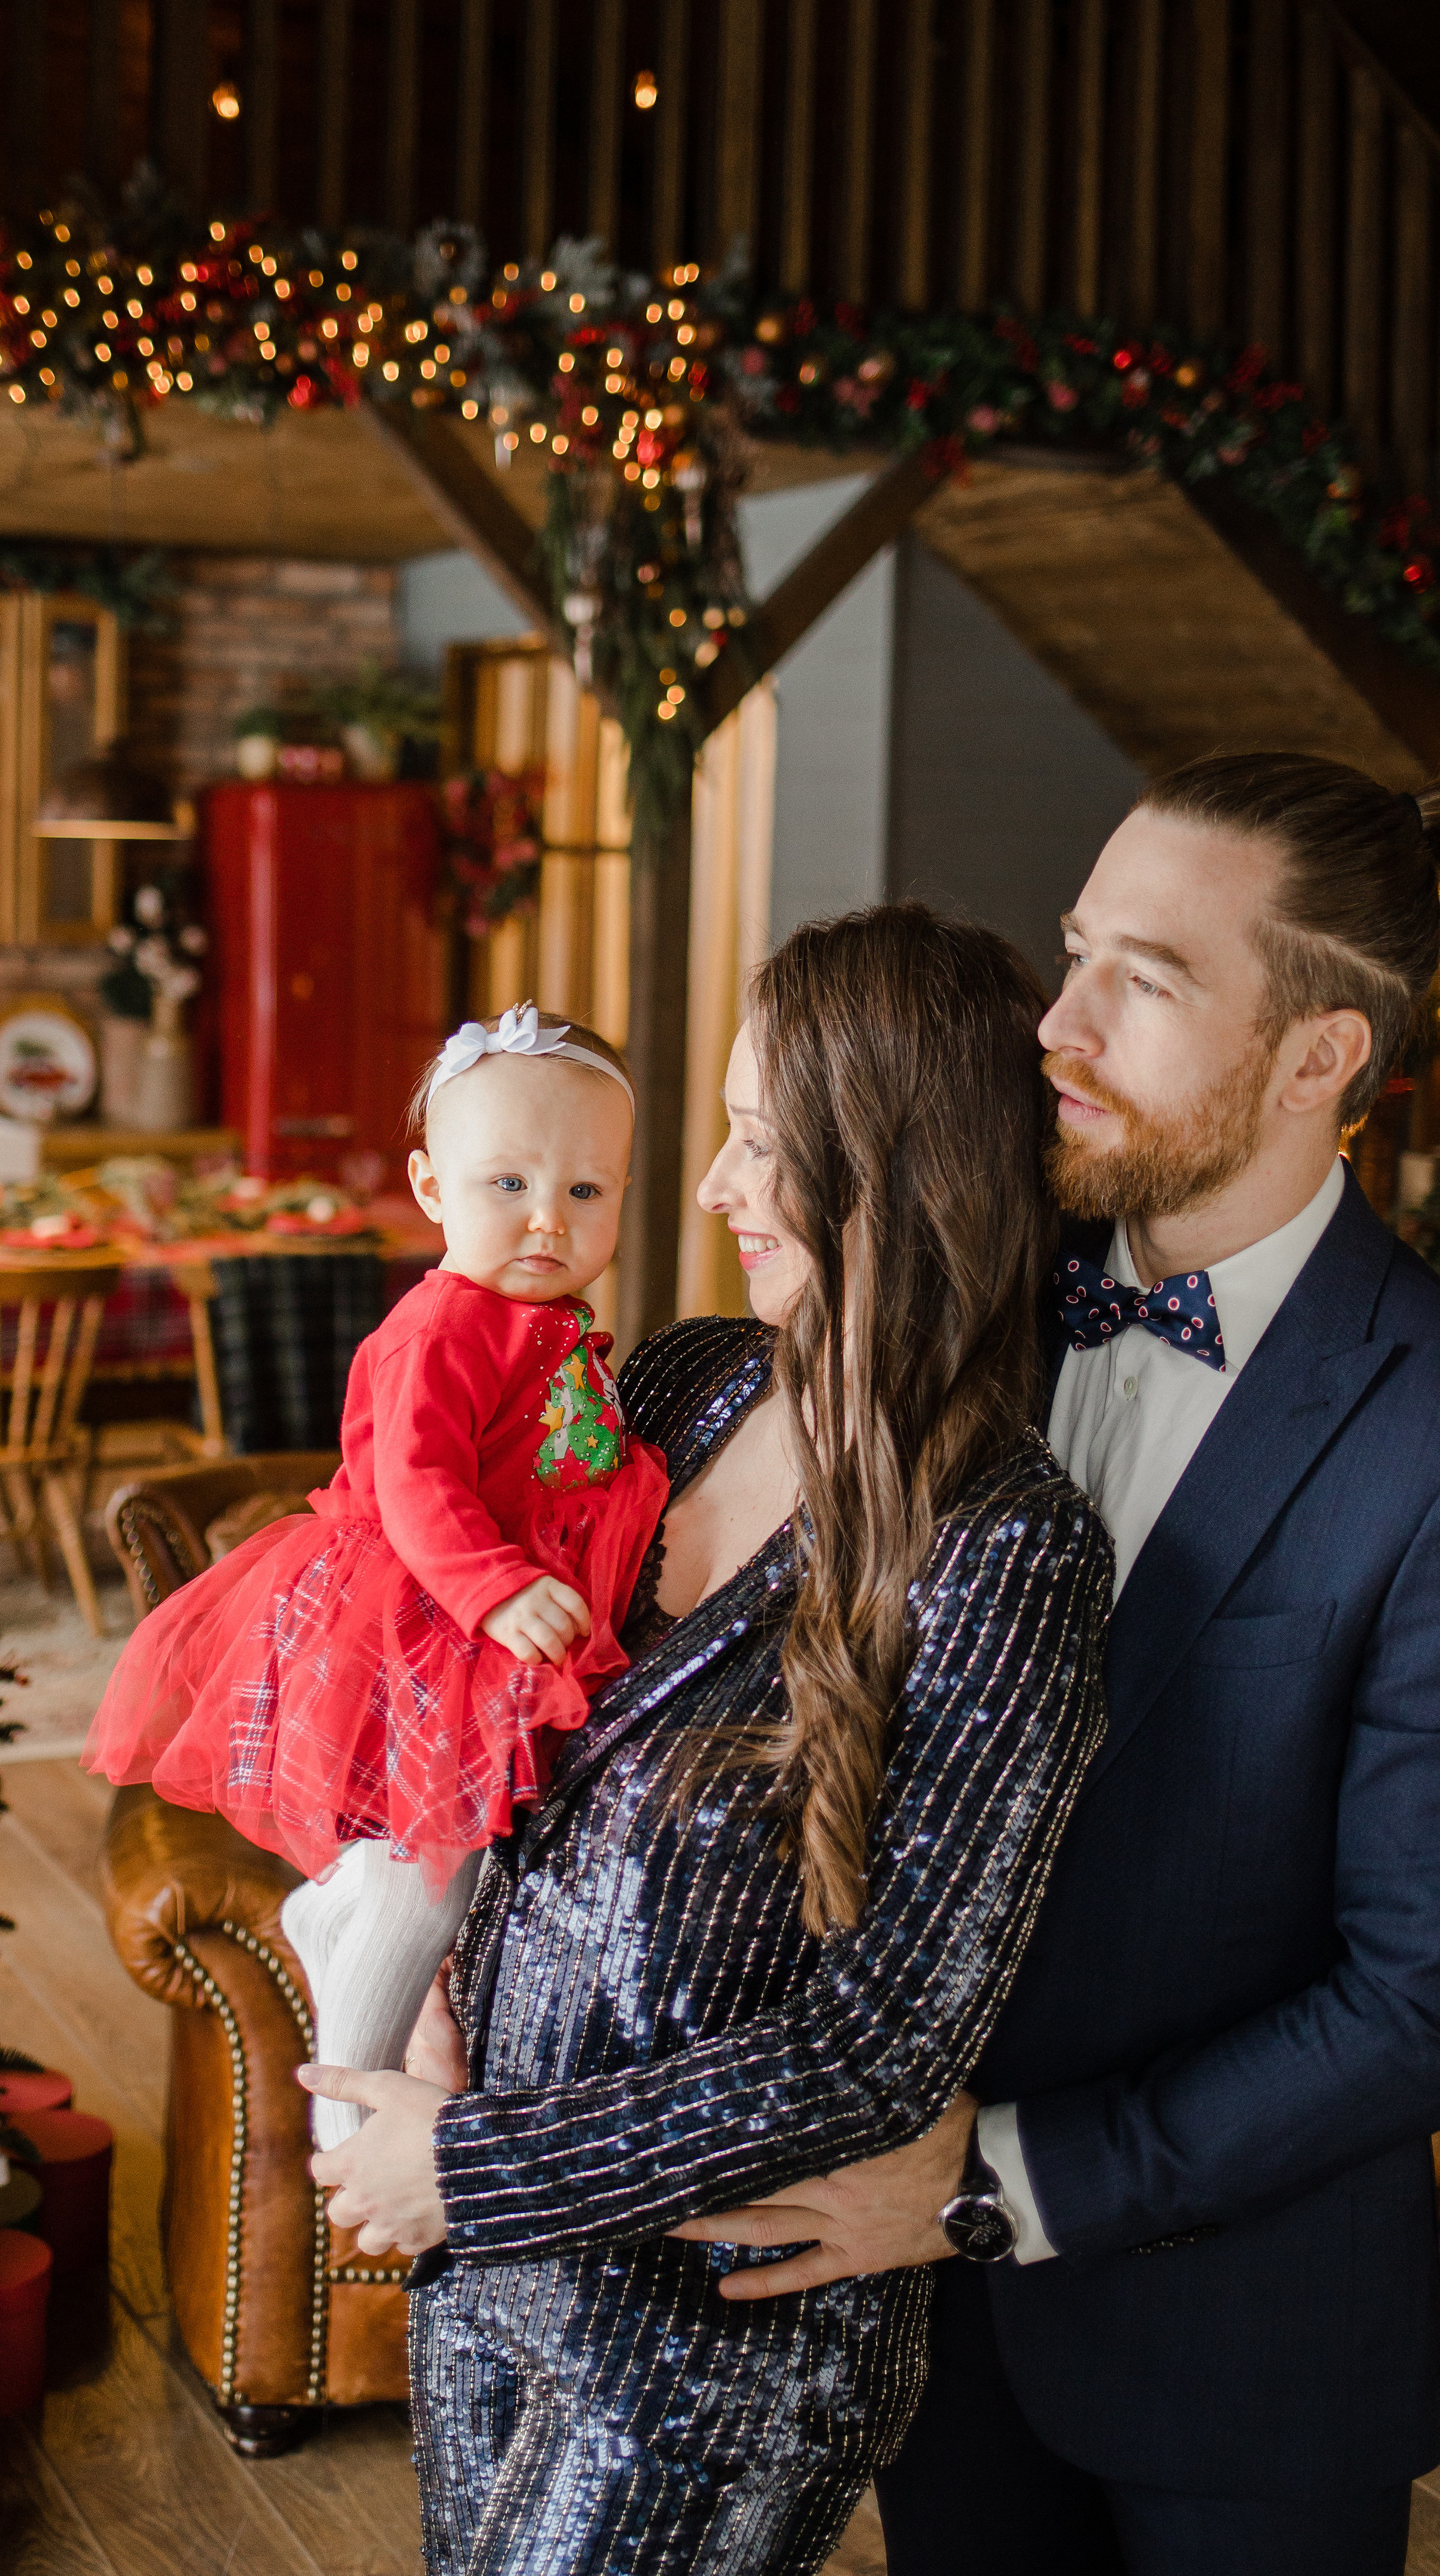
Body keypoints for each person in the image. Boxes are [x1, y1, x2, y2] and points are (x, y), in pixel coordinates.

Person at [678, 756, 1440, 2576]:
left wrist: (980, 2185)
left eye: (1144, 980)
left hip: (1235, 2356)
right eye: (1075, 948)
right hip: (920, 2343)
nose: (1057, 1020)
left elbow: (1415, 1990)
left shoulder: (1424, 1426)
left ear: (1319, 1055)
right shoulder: (960, 1296)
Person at [300, 906, 1114, 2576]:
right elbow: (441, 1661)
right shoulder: (675, 1383)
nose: (705, 1192)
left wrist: (474, 2166)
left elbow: (883, 2039)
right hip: (486, 2274)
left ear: (891, 1180)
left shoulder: (1006, 1550)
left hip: (705, 2355)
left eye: (757, 1146)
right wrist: (431, 1988)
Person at [84, 1002, 668, 2147]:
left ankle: (332, 1922)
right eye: (508, 1185)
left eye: (586, 1192)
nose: (548, 1218)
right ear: (430, 1185)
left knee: (438, 1864)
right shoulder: (443, 1325)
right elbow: (414, 1480)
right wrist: (497, 1584)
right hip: (415, 1615)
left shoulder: (553, 1328)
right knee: (431, 1868)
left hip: (477, 1630)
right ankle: (347, 2107)